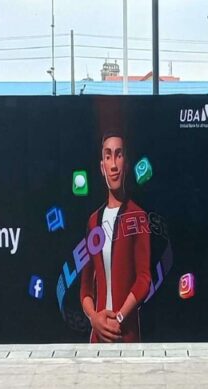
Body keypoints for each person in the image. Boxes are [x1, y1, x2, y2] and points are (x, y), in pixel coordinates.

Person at [80, 131, 152, 343]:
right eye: (108, 155)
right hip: (98, 335)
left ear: (126, 164)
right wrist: (94, 318)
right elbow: (85, 286)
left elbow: (144, 279)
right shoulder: (93, 221)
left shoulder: (138, 217)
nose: (113, 164)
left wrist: (119, 318)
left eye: (118, 155)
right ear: (102, 166)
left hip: (126, 333)